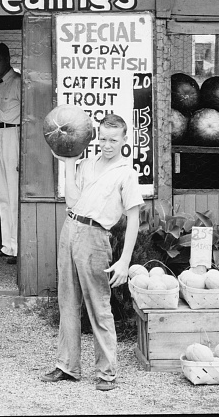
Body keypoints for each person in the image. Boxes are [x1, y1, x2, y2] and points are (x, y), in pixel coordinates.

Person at [41, 114, 144, 391]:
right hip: (71, 228)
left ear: (124, 140)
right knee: (67, 301)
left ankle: (107, 372)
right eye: (103, 139)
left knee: (99, 305)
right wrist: (70, 163)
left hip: (96, 237)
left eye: (113, 140)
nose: (107, 145)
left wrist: (124, 261)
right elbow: (72, 200)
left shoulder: (126, 172)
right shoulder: (86, 164)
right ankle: (68, 366)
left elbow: (133, 219)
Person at [0, 43, 21, 263]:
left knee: (13, 192)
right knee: (3, 194)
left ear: (8, 59)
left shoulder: (18, 82)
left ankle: (17, 246)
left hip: (13, 134)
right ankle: (7, 244)